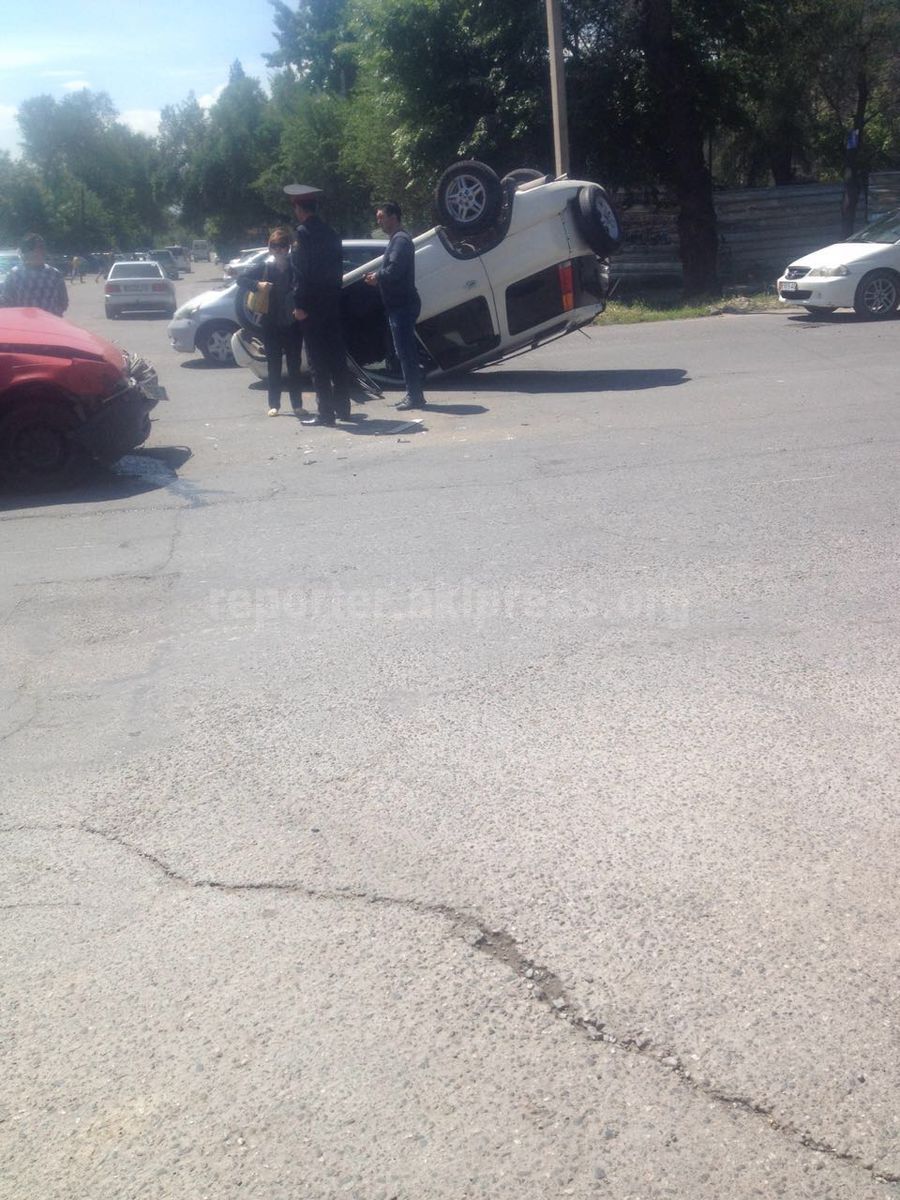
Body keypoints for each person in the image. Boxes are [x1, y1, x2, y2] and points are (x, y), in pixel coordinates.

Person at [285, 183, 354, 427]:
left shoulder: (302, 233)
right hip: (332, 304)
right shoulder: (331, 232)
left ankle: (326, 413)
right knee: (336, 357)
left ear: (299, 208)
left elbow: (302, 273)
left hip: (312, 306)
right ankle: (344, 409)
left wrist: (299, 304)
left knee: (317, 361)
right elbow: (337, 270)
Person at [235, 227, 304, 417]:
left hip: (292, 324)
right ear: (269, 247)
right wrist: (256, 285)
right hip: (271, 323)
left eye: (282, 246)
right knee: (274, 365)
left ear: (288, 247)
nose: (279, 250)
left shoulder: (294, 266)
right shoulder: (265, 266)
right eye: (274, 246)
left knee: (294, 365)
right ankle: (274, 404)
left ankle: (297, 405)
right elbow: (241, 279)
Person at [365, 201, 425, 411]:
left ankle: (415, 396)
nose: (378, 221)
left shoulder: (400, 241)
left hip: (403, 305)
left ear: (393, 217)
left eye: (381, 217)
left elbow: (395, 270)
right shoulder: (396, 240)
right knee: (404, 352)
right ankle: (414, 394)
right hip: (399, 305)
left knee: (406, 353)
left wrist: (377, 277)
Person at [0, 233, 68, 316]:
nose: (39, 251)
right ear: (25, 252)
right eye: (36, 248)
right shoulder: (14, 275)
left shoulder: (54, 274)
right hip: (24, 325)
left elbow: (63, 301)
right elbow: (6, 302)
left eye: (42, 247)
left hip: (50, 324)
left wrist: (53, 315)